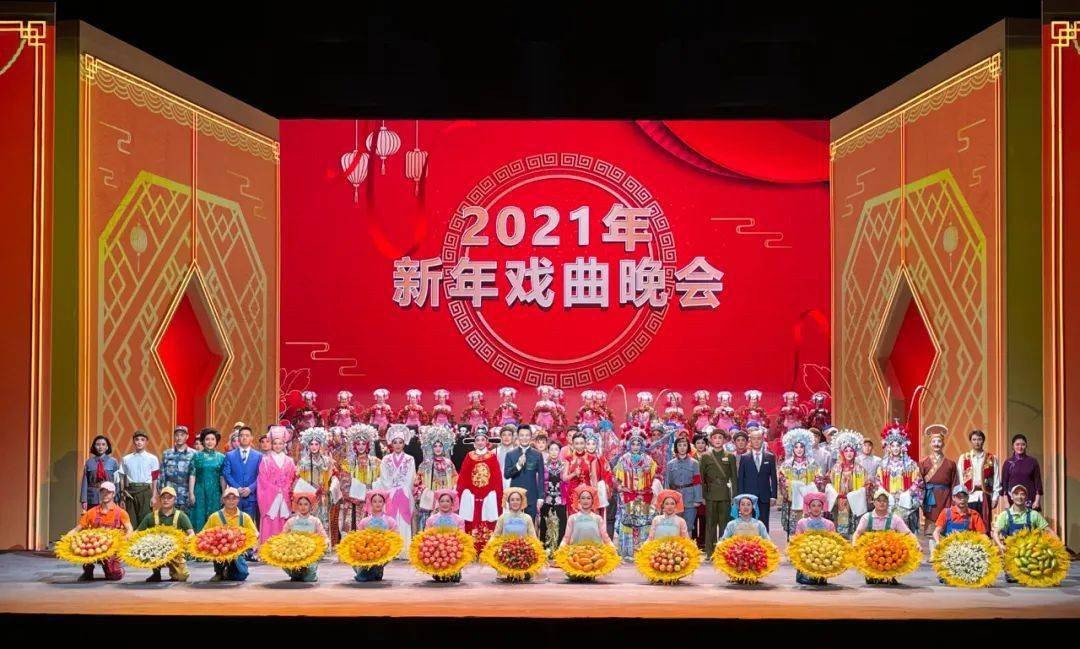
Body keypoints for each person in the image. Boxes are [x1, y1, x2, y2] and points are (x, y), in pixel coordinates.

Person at [69, 481, 132, 581]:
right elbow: (77, 529)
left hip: (112, 548)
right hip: (95, 547)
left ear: (113, 494)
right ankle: (88, 570)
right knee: (85, 542)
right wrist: (67, 538)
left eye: (108, 492)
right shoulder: (92, 512)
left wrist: (124, 543)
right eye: (103, 492)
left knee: (113, 576)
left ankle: (115, 569)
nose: (105, 495)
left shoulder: (121, 513)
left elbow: (129, 529)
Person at [993, 484, 1054, 582]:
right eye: (1016, 494)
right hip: (1012, 555)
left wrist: (1057, 545)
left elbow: (1048, 530)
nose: (1019, 497)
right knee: (1013, 578)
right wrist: (1000, 546)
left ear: (1026, 497)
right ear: (1011, 497)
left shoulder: (1034, 514)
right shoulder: (1005, 515)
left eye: (1022, 494)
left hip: (1031, 555)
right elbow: (995, 533)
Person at [852, 488, 914, 584]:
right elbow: (857, 533)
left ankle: (890, 573)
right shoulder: (867, 517)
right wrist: (854, 543)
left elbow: (908, 533)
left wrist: (917, 544)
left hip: (890, 555)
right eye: (879, 500)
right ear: (874, 502)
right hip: (871, 554)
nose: (882, 503)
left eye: (885, 501)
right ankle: (871, 573)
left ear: (888, 503)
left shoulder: (895, 519)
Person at [613, 429, 658, 559]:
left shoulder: (649, 460)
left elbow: (654, 477)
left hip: (644, 495)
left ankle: (643, 552)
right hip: (628, 495)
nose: (636, 447)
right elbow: (617, 479)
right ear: (629, 445)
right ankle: (627, 551)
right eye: (633, 444)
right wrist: (621, 488)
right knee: (628, 522)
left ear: (642, 445)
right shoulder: (623, 459)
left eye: (638, 444)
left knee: (644, 522)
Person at [456, 427, 503, 547]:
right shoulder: (469, 456)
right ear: (474, 442)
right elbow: (463, 476)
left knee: (487, 521)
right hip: (472, 494)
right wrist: (465, 491)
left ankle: (487, 548)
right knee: (471, 520)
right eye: (478, 440)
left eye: (483, 440)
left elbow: (496, 477)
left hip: (488, 494)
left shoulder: (492, 456)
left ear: (486, 441)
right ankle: (470, 548)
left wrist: (494, 492)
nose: (480, 442)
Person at [136, 485, 193, 582]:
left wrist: (186, 540)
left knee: (182, 577)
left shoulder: (181, 516)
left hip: (175, 551)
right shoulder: (151, 516)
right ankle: (156, 573)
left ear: (174, 500)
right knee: (149, 545)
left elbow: (191, 533)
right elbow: (138, 532)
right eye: (163, 497)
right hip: (156, 551)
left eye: (169, 498)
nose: (166, 500)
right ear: (160, 499)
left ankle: (174, 571)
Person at [201, 487, 259, 582]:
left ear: (238, 500)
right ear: (223, 500)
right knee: (218, 545)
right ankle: (219, 572)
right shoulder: (215, 516)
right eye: (228, 498)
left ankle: (228, 572)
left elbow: (255, 533)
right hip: (219, 551)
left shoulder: (244, 517)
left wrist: (249, 542)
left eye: (234, 498)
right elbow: (204, 533)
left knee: (242, 574)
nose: (231, 501)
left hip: (237, 551)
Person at [334, 424, 380, 541]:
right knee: (352, 530)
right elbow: (344, 483)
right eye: (358, 444)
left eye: (363, 444)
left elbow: (379, 482)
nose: (361, 447)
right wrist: (353, 496)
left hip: (370, 501)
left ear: (368, 445)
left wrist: (369, 494)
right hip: (352, 502)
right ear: (354, 445)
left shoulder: (376, 462)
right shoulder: (348, 462)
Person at [376, 424, 416, 557]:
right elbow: (384, 478)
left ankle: (404, 550)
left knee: (404, 521)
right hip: (391, 493)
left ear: (404, 444)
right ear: (391, 444)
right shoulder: (386, 459)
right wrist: (391, 490)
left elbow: (411, 477)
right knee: (391, 520)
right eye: (395, 442)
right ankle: (391, 550)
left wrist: (403, 489)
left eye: (400, 442)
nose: (398, 445)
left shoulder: (410, 459)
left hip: (404, 493)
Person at [778, 428, 825, 539]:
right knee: (793, 531)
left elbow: (819, 480)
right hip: (791, 503)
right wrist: (789, 485)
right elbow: (781, 479)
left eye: (801, 447)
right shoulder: (786, 465)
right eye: (796, 447)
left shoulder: (813, 464)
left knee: (808, 531)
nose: (799, 450)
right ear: (792, 448)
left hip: (808, 504)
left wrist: (808, 487)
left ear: (806, 447)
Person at [223, 425, 262, 557]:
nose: (244, 438)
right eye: (241, 435)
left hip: (251, 496)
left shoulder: (258, 456)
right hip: (235, 497)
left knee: (249, 522)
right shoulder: (230, 455)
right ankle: (235, 549)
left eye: (247, 435)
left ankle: (249, 550)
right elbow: (227, 474)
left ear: (251, 438)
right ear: (238, 438)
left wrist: (250, 488)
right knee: (234, 522)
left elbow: (261, 475)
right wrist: (237, 488)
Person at [877, 425, 922, 534]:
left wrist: (907, 493)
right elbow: (878, 481)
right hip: (888, 500)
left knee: (904, 530)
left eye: (898, 445)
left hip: (904, 500)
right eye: (893, 446)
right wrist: (886, 493)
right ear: (889, 447)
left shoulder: (910, 464)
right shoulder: (883, 465)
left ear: (902, 447)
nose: (895, 448)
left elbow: (918, 481)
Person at [256, 426, 297, 543]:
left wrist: (284, 490)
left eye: (280, 443)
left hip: (285, 496)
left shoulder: (290, 461)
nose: (278, 446)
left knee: (285, 522)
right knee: (270, 521)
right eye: (275, 443)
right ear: (272, 444)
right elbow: (262, 480)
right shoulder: (265, 460)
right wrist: (276, 490)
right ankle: (267, 548)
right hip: (270, 498)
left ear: (284, 444)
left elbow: (292, 478)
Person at [827, 430, 871, 539]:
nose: (849, 453)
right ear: (842, 452)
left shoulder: (860, 469)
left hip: (856, 503)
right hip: (841, 503)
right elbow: (828, 483)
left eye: (851, 450)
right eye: (846, 451)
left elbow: (867, 485)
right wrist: (835, 495)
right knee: (842, 530)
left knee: (856, 530)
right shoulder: (835, 469)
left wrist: (856, 494)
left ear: (855, 452)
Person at [700, 427, 736, 554]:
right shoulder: (705, 456)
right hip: (710, 494)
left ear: (724, 440)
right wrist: (703, 495)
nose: (717, 440)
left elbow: (734, 477)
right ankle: (710, 552)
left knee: (724, 523)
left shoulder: (730, 456)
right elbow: (702, 478)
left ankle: (723, 551)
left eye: (720, 437)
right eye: (715, 438)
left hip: (725, 494)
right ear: (711, 440)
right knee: (710, 523)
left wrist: (734, 496)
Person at [957, 429, 1000, 535]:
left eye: (979, 439)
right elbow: (960, 479)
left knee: (985, 524)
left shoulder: (991, 458)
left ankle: (985, 543)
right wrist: (962, 496)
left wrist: (995, 497)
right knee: (969, 523)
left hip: (985, 495)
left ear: (983, 441)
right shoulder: (964, 458)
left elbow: (996, 479)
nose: (977, 442)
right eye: (974, 439)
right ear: (971, 441)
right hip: (969, 496)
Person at [415, 426, 458, 529]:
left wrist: (452, 492)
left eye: (440, 446)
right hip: (429, 499)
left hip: (445, 499)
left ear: (444, 447)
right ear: (431, 447)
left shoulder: (449, 463)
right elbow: (418, 481)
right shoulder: (425, 463)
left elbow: (455, 479)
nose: (438, 448)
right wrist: (425, 492)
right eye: (435, 446)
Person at [919, 425, 959, 536]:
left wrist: (954, 500)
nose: (936, 444)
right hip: (929, 496)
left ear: (943, 444)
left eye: (939, 441)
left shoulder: (951, 463)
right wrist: (921, 498)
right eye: (934, 441)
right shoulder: (923, 463)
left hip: (946, 496)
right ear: (930, 444)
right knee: (930, 530)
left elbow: (954, 483)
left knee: (945, 524)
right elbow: (920, 483)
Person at [280, 490, 328, 582]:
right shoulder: (291, 521)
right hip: (294, 553)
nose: (303, 507)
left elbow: (324, 537)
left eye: (306, 504)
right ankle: (295, 573)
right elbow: (282, 537)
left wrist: (324, 545)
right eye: (300, 504)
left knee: (309, 578)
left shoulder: (315, 521)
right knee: (286, 565)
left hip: (310, 553)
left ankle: (307, 574)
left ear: (310, 506)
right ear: (297, 506)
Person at [736, 428, 777, 531]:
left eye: (759, 438)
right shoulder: (744, 457)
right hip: (748, 497)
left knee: (764, 523)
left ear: (762, 440)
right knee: (749, 523)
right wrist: (741, 496)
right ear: (750, 441)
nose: (756, 441)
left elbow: (773, 478)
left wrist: (773, 496)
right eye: (754, 439)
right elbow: (741, 478)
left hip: (765, 496)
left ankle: (765, 541)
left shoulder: (770, 457)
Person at [119, 430, 159, 533]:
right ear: (133, 441)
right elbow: (122, 478)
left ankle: (144, 542)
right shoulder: (126, 459)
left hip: (145, 491)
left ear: (146, 442)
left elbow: (155, 479)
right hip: (130, 491)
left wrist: (154, 496)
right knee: (131, 520)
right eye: (137, 439)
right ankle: (131, 541)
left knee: (145, 520)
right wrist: (122, 496)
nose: (139, 442)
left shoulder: (152, 458)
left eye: (142, 440)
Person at [793, 491, 836, 585]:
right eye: (813, 505)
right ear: (809, 508)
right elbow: (796, 542)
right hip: (806, 557)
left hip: (823, 558)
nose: (816, 508)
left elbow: (834, 543)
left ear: (822, 507)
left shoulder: (829, 524)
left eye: (819, 505)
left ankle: (821, 574)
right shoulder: (802, 523)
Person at [424, 489, 467, 582]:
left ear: (452, 503)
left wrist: (451, 545)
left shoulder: (459, 519)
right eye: (442, 501)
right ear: (438, 503)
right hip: (436, 552)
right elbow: (426, 537)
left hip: (454, 551)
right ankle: (437, 571)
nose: (445, 503)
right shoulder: (431, 520)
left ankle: (455, 570)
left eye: (448, 501)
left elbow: (462, 538)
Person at [297, 427, 334, 533]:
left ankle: (324, 542)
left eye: (316, 444)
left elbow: (332, 478)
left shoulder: (327, 461)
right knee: (309, 523)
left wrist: (327, 489)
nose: (314, 447)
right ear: (308, 446)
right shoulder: (303, 462)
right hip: (309, 497)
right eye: (311, 444)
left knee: (323, 522)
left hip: (323, 497)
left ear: (320, 445)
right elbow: (300, 480)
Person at [189, 428, 226, 532]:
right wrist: (191, 493)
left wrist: (224, 493)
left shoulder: (221, 457)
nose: (210, 442)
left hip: (215, 492)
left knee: (215, 517)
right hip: (199, 491)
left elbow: (222, 477)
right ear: (203, 441)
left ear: (216, 441)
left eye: (212, 439)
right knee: (199, 517)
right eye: (207, 439)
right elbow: (192, 475)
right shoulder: (196, 456)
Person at [664, 435, 701, 539]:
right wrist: (667, 500)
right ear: (676, 447)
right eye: (679, 445)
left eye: (684, 445)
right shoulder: (670, 464)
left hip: (690, 498)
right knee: (675, 525)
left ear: (688, 447)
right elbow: (667, 483)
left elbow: (697, 482)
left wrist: (697, 499)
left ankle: (688, 547)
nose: (682, 448)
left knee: (688, 526)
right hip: (675, 499)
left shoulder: (694, 463)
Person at [504, 424, 544, 519]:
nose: (524, 438)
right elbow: (507, 475)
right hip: (515, 496)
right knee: (515, 524)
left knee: (530, 524)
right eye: (522, 435)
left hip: (532, 496)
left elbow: (541, 478)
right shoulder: (510, 454)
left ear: (531, 437)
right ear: (518, 436)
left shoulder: (537, 454)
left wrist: (540, 497)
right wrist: (518, 465)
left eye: (527, 435)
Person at [1000, 434, 1043, 511]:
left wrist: (1037, 501)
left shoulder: (1033, 462)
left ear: (1026, 446)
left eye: (1023, 444)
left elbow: (1038, 482)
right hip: (1012, 500)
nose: (1020, 447)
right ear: (1013, 446)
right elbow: (1004, 484)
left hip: (1030, 500)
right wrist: (1006, 502)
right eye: (1017, 444)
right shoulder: (1008, 463)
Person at [159, 426, 195, 514]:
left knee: (185, 518)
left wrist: (192, 493)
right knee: (169, 517)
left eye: (182, 435)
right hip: (170, 493)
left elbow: (194, 474)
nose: (179, 437)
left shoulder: (193, 454)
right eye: (177, 435)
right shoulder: (167, 453)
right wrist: (161, 491)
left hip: (186, 493)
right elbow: (162, 474)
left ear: (187, 436)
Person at [541, 442, 567, 556]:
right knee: (545, 524)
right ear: (548, 451)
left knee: (561, 524)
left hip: (560, 499)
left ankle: (559, 551)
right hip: (546, 498)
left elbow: (567, 481)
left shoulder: (565, 465)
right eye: (551, 449)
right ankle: (545, 550)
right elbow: (539, 481)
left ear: (559, 451)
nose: (554, 452)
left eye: (556, 449)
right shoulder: (543, 465)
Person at [81, 435, 119, 512]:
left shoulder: (113, 462)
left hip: (108, 495)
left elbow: (117, 482)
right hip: (93, 497)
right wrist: (84, 499)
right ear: (94, 446)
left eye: (103, 444)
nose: (100, 447)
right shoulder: (89, 462)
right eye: (98, 444)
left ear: (107, 447)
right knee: (93, 518)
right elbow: (85, 482)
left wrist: (117, 498)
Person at [495, 426, 516, 490]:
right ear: (500, 437)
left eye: (509, 435)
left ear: (513, 437)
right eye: (504, 435)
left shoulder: (518, 452)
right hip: (498, 485)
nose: (506, 437)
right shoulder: (494, 452)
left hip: (514, 486)